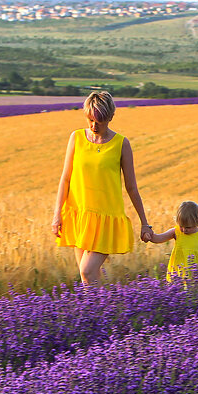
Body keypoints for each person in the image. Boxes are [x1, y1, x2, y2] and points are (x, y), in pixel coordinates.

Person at [51, 90, 152, 284]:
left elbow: (131, 187)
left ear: (111, 117)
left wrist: (144, 222)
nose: (94, 125)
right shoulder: (76, 138)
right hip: (79, 215)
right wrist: (57, 215)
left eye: (100, 120)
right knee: (88, 278)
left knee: (87, 272)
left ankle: (98, 311)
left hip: (106, 220)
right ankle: (104, 311)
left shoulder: (121, 144)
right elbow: (65, 178)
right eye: (90, 119)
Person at [145, 200, 198, 281]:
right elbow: (158, 238)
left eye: (188, 227)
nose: (184, 230)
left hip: (197, 276)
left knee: (194, 293)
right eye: (181, 226)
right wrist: (149, 236)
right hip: (178, 275)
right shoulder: (176, 232)